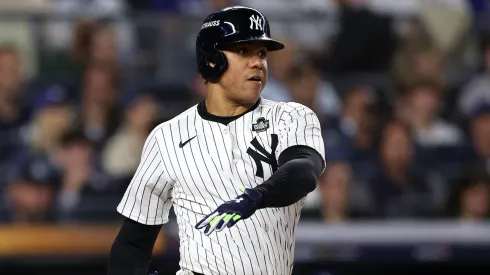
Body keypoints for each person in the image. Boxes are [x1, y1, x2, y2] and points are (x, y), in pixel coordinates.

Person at [107, 6, 326, 275]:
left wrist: (257, 197)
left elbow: (304, 171)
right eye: (243, 51)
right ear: (212, 59)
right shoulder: (167, 136)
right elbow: (132, 242)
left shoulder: (290, 116)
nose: (257, 62)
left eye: (261, 53)